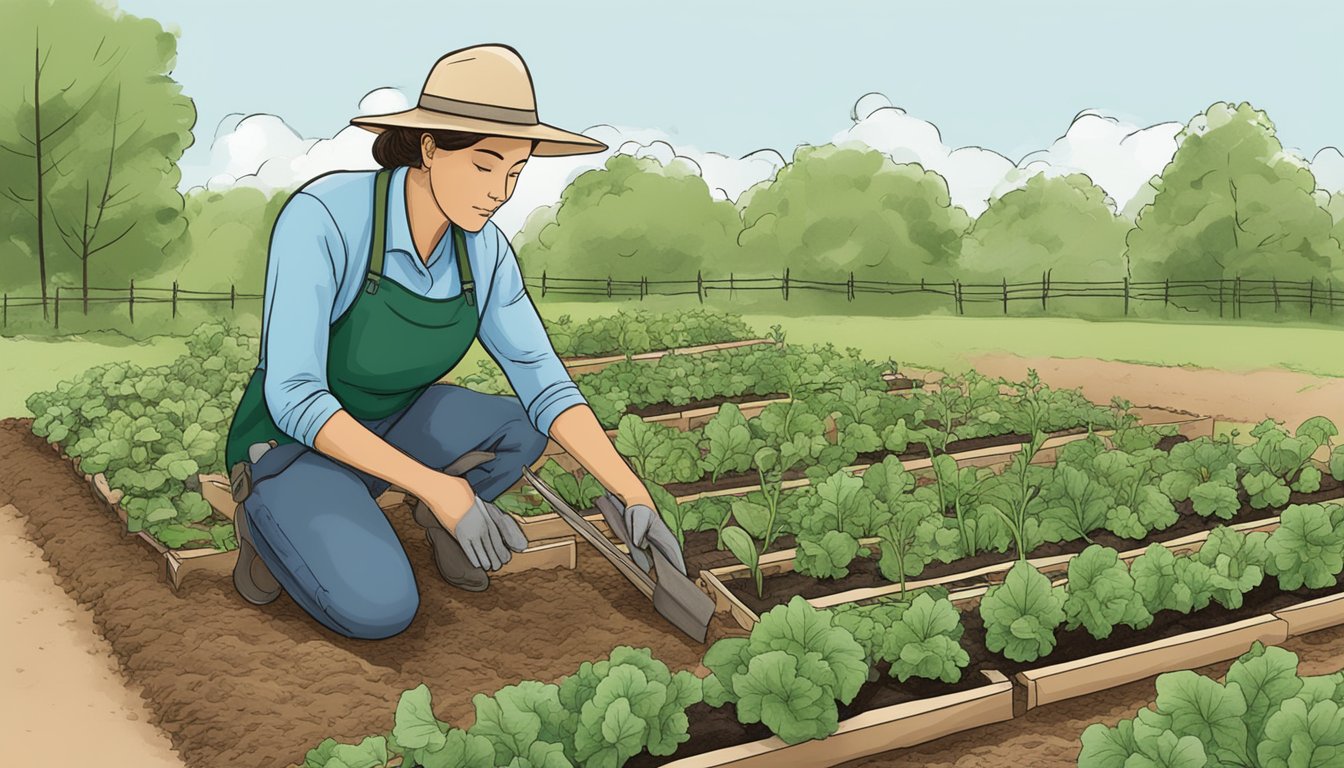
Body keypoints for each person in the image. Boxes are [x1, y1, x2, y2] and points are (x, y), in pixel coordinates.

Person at [222, 44, 679, 640]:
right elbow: (294, 395)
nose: (500, 193)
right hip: (293, 445)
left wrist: (631, 491)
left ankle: (433, 518)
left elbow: (543, 378)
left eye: (515, 172)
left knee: (524, 426)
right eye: (486, 166)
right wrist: (442, 485)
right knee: (379, 610)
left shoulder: (483, 249)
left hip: (397, 421)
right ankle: (266, 524)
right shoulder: (326, 218)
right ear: (430, 147)